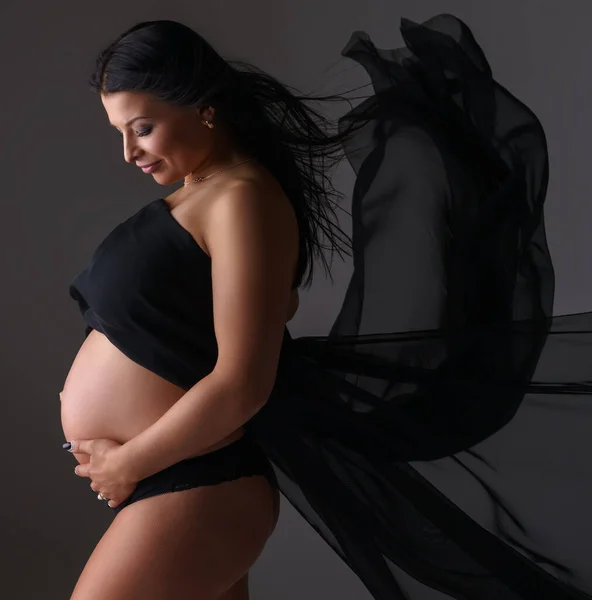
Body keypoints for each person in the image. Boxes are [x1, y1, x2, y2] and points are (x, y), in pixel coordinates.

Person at [62, 13, 592, 600]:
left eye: (142, 127)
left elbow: (243, 381)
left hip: (195, 483)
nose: (128, 152)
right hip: (180, 483)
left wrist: (129, 461)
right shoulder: (204, 194)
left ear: (202, 106)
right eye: (120, 132)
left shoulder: (240, 199)